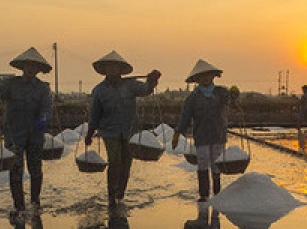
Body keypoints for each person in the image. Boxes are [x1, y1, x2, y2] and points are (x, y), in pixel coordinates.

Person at [85, 51, 160, 208]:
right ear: (104, 70)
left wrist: (152, 80)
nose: (112, 70)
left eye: (115, 67)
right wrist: (90, 132)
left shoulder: (130, 85)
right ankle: (111, 195)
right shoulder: (99, 90)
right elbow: (95, 113)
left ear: (120, 69)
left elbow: (145, 90)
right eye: (109, 67)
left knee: (126, 162)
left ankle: (121, 194)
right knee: (114, 161)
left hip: (129, 130)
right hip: (109, 130)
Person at [0, 47, 53, 220]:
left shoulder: (43, 89)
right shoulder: (11, 85)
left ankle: (35, 201)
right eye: (27, 66)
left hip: (35, 133)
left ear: (38, 70)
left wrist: (44, 118)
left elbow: (47, 107)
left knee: (35, 167)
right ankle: (19, 205)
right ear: (22, 67)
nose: (30, 69)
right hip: (14, 132)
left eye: (34, 67)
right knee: (15, 167)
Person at [173, 59, 235, 201]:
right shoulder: (193, 98)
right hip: (201, 136)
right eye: (202, 77)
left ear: (213, 76)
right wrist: (178, 131)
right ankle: (204, 194)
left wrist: (234, 96)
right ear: (197, 79)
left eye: (208, 76)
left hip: (218, 134)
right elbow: (185, 117)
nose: (205, 79)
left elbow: (231, 102)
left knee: (216, 164)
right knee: (202, 162)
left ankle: (217, 193)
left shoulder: (221, 93)